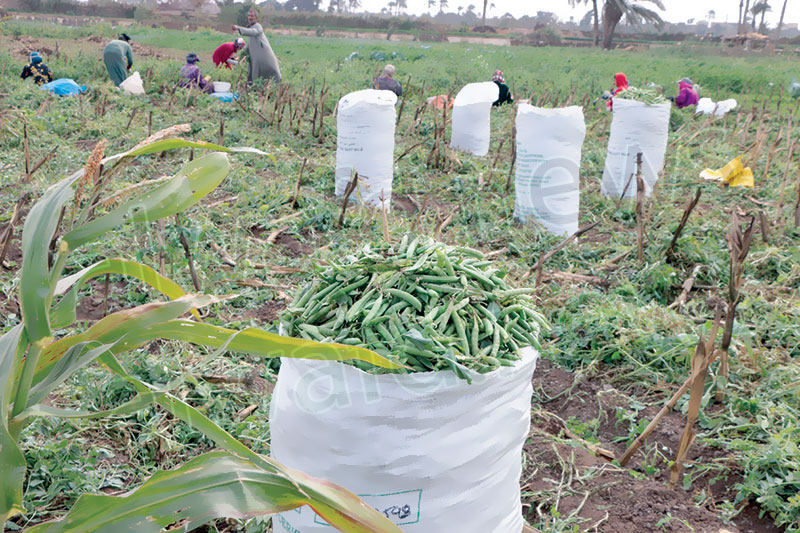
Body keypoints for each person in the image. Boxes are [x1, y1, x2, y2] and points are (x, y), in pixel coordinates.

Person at [233, 10, 281, 84]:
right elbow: (249, 44)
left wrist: (239, 28)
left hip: (264, 57)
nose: (250, 17)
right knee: (255, 76)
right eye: (249, 15)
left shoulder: (258, 26)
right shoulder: (251, 28)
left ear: (256, 17)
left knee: (271, 75)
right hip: (255, 59)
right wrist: (241, 54)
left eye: (252, 16)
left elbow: (253, 32)